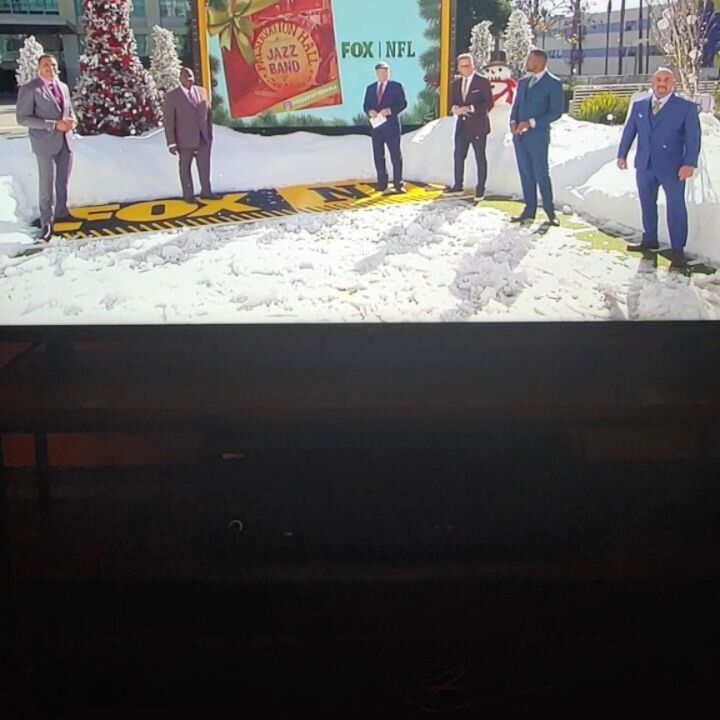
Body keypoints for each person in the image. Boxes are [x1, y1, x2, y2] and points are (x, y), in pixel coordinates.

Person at [617, 67, 702, 269]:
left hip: (673, 167)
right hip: (645, 165)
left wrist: (689, 163)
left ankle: (678, 251)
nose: (662, 83)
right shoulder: (639, 106)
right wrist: (622, 154)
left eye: (666, 79)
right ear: (652, 82)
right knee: (647, 203)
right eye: (658, 79)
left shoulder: (685, 108)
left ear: (673, 83)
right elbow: (630, 130)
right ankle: (649, 239)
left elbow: (693, 139)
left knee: (675, 208)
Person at [15, 54, 76, 242]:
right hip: (44, 143)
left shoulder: (63, 87)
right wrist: (52, 124)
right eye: (46, 65)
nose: (50, 68)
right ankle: (46, 223)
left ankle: (62, 212)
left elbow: (68, 110)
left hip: (65, 141)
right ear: (39, 68)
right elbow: (23, 118)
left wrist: (73, 121)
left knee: (62, 180)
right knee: (46, 184)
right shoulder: (30, 89)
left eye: (53, 64)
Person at [509, 49, 564, 227]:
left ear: (540, 62)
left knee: (541, 173)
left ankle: (550, 212)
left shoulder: (553, 83)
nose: (527, 62)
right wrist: (512, 122)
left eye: (530, 60)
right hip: (520, 137)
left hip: (538, 136)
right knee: (525, 173)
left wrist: (531, 122)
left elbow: (556, 112)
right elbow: (516, 105)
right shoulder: (524, 82)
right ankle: (529, 210)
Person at [444, 53, 494, 202]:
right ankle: (457, 185)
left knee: (479, 157)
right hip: (462, 126)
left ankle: (480, 188)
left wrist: (471, 108)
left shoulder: (482, 82)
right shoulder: (456, 84)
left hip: (478, 126)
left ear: (473, 65)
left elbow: (488, 103)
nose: (465, 68)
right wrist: (455, 109)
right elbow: (451, 102)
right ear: (458, 68)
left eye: (468, 65)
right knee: (458, 155)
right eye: (462, 66)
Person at [163, 67, 218, 202]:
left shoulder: (202, 92)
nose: (189, 80)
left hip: (203, 139)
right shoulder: (172, 97)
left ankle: (206, 191)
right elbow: (169, 122)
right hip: (184, 140)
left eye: (191, 77)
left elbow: (208, 114)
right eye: (186, 77)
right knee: (185, 168)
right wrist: (171, 142)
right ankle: (188, 195)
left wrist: (209, 134)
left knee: (205, 167)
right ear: (180, 79)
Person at [363, 62, 407, 194]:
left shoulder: (396, 86)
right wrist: (369, 111)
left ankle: (398, 183)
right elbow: (365, 105)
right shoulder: (370, 88)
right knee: (378, 155)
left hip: (391, 126)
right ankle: (382, 182)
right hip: (377, 127)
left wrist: (390, 110)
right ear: (376, 73)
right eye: (381, 72)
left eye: (386, 72)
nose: (383, 74)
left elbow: (403, 103)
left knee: (395, 154)